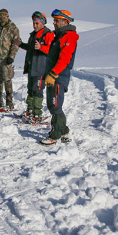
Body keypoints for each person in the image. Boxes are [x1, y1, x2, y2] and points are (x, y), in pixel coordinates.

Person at [41, 9, 79, 146]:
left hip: (58, 77)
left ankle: (55, 135)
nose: (54, 23)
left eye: (57, 20)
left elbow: (65, 58)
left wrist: (53, 73)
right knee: (53, 105)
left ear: (65, 21)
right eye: (54, 20)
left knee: (55, 106)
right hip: (53, 76)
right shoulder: (60, 36)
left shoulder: (69, 37)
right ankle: (64, 131)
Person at [17, 11, 55, 123]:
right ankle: (30, 110)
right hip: (31, 68)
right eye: (34, 23)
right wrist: (19, 44)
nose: (35, 25)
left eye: (37, 23)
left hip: (41, 69)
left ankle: (37, 113)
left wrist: (42, 47)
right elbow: (30, 48)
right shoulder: (33, 34)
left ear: (43, 23)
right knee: (30, 90)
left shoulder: (48, 34)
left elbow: (52, 51)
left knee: (38, 91)